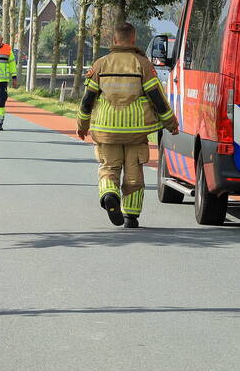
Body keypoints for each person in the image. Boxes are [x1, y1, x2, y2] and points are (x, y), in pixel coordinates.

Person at [76, 22, 178, 228]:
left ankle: (109, 195)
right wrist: (170, 123)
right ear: (133, 39)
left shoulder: (100, 64)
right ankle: (131, 216)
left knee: (108, 168)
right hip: (135, 131)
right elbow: (157, 98)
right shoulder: (142, 64)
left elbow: (87, 99)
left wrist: (82, 124)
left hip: (106, 130)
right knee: (133, 172)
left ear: (114, 40)